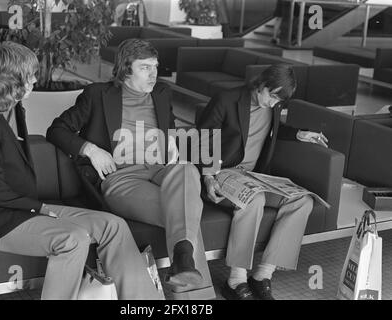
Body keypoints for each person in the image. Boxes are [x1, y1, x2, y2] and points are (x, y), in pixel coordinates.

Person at [0, 41, 161, 300]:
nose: (36, 79)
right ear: (12, 79)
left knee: (113, 226)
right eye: (31, 75)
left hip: (25, 209)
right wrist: (44, 210)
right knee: (72, 238)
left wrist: (41, 208)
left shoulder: (12, 107)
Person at [46, 38, 211, 294]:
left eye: (155, 67)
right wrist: (92, 150)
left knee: (188, 171)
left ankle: (183, 261)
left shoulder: (162, 93)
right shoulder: (98, 95)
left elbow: (172, 128)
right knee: (186, 208)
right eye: (145, 67)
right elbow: (56, 130)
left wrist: (174, 144)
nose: (154, 74)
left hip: (162, 170)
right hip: (122, 179)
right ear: (126, 68)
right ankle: (187, 271)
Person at [196, 64, 328, 300]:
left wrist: (299, 134)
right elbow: (204, 137)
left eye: (280, 100)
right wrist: (207, 177)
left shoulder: (273, 106)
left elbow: (274, 130)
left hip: (253, 176)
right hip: (222, 172)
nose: (274, 103)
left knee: (302, 201)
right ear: (262, 84)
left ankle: (262, 275)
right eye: (273, 95)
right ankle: (235, 280)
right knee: (253, 199)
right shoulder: (226, 99)